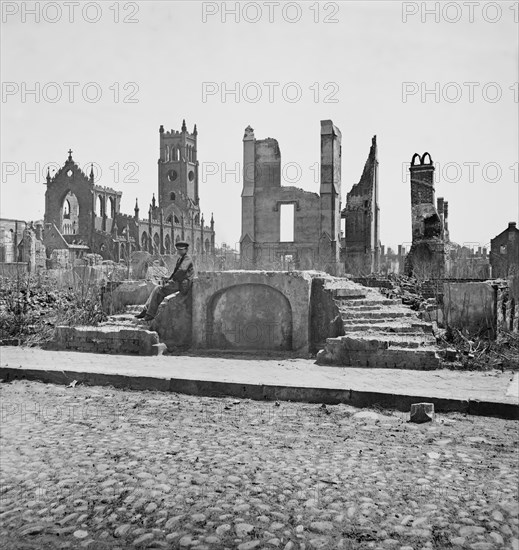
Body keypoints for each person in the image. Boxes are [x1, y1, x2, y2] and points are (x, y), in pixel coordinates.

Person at [135, 241, 194, 321]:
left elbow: (182, 271)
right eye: (178, 250)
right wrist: (169, 279)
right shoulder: (181, 258)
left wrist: (172, 280)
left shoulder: (187, 258)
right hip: (179, 282)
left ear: (186, 250)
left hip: (183, 285)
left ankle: (150, 314)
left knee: (159, 290)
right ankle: (145, 311)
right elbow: (176, 272)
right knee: (156, 288)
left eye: (181, 250)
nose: (178, 251)